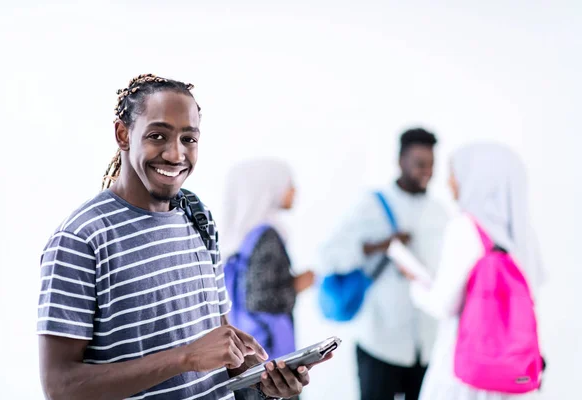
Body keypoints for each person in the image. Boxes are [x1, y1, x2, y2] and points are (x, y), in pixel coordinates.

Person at [37, 74, 326, 400]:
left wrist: (265, 382)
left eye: (189, 139)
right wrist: (184, 357)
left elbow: (218, 345)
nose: (176, 155)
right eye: (158, 136)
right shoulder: (80, 240)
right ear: (123, 134)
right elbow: (60, 386)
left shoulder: (196, 214)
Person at [403, 142, 546, 400]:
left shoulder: (465, 227)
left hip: (463, 376)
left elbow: (444, 305)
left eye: (453, 174)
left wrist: (415, 285)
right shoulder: (523, 234)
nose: (449, 183)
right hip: (508, 377)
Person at [320, 128, 450, 400]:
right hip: (379, 341)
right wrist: (381, 245)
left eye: (431, 165)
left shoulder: (440, 213)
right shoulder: (372, 205)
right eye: (419, 164)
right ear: (400, 161)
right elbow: (328, 258)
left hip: (425, 344)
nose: (426, 171)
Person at [220, 159, 315, 400]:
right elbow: (260, 298)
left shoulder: (240, 234)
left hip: (246, 355)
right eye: (289, 184)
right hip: (270, 355)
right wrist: (298, 284)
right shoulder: (267, 235)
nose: (294, 190)